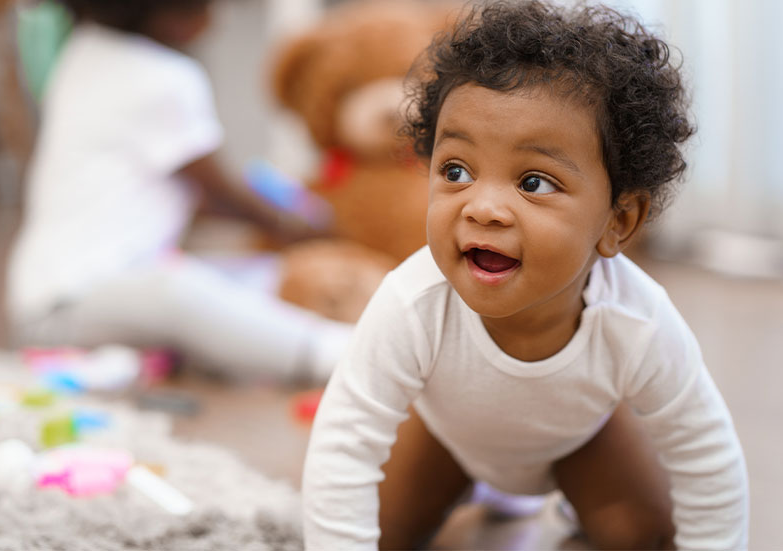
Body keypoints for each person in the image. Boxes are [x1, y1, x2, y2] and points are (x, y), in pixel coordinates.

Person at [302, 1, 749, 549]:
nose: (482, 208)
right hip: (447, 439)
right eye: (456, 171)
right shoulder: (411, 302)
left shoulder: (639, 320)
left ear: (618, 220)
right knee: (380, 532)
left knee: (643, 535)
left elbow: (706, 454)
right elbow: (344, 442)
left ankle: (560, 509)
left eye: (533, 182)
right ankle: (478, 494)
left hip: (581, 442)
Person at [7, 0, 352, 383]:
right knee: (180, 290)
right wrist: (298, 224)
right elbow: (220, 195)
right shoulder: (164, 77)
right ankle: (336, 353)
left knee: (251, 278)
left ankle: (236, 347)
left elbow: (191, 196)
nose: (215, 17)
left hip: (47, 297)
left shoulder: (83, 50)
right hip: (72, 305)